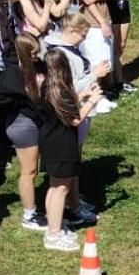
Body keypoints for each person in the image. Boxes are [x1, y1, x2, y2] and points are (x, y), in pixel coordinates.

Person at [38, 48, 104, 252]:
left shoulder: (49, 86)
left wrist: (82, 95)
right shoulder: (60, 89)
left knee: (53, 186)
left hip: (49, 142)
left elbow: (66, 105)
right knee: (61, 189)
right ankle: (54, 235)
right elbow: (74, 119)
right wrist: (92, 102)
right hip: (62, 144)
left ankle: (53, 226)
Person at [0, 34, 47, 232]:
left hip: (38, 120)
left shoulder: (40, 66)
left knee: (36, 168)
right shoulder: (14, 73)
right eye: (32, 53)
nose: (37, 56)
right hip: (22, 124)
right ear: (22, 53)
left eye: (38, 51)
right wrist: (18, 102)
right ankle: (29, 214)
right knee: (29, 170)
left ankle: (37, 205)